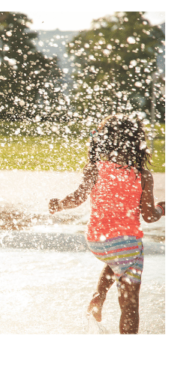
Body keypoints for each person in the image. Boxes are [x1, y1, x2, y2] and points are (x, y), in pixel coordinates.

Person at [49, 114, 165, 334]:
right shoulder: (142, 176)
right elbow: (149, 216)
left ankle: (98, 296)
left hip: (97, 242)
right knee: (130, 305)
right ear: (136, 143)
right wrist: (162, 209)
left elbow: (76, 198)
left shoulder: (95, 168)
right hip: (126, 246)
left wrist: (59, 205)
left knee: (116, 259)